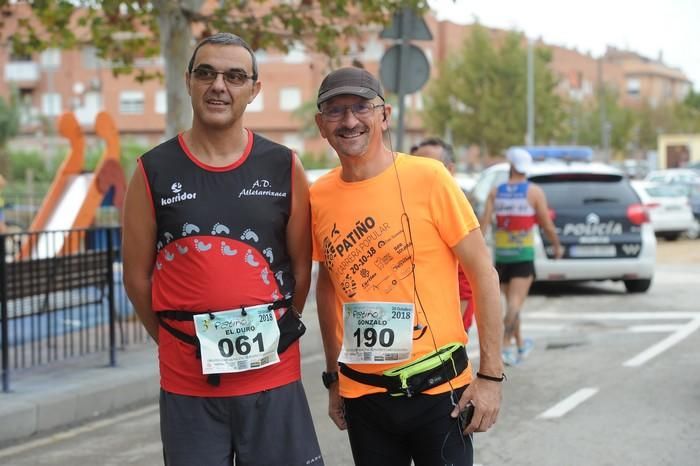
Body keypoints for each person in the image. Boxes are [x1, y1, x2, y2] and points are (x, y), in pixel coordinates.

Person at [122, 33, 323, 466]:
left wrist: (275, 331)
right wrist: (176, 343)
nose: (219, 86)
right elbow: (136, 278)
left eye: (234, 76)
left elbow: (301, 271)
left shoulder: (284, 165)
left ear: (254, 89)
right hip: (187, 383)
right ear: (188, 81)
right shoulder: (152, 169)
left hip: (273, 376)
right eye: (206, 73)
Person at [310, 67, 504, 466]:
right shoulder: (319, 196)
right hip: (363, 396)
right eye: (335, 111)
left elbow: (483, 274)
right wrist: (333, 378)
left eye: (361, 107)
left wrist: (490, 377)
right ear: (321, 124)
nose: (349, 121)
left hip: (438, 393)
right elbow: (327, 287)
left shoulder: (429, 178)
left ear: (385, 115)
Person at [480, 147, 563, 366]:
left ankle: (519, 343)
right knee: (515, 304)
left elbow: (483, 224)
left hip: (502, 256)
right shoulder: (534, 192)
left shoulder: (495, 192)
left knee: (511, 302)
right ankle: (505, 345)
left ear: (511, 166)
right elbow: (546, 223)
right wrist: (556, 245)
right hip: (523, 255)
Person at [412, 138, 475, 332]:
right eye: (414, 167)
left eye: (429, 168)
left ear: (450, 169)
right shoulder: (406, 205)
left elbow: (467, 280)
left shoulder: (456, 208)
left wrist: (453, 330)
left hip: (444, 332)